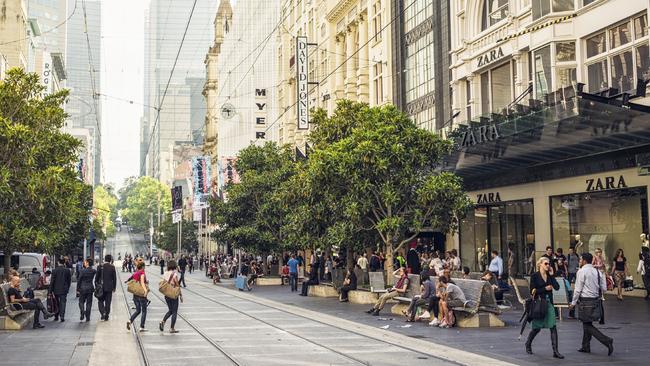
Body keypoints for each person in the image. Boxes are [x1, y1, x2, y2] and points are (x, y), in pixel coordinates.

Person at [569, 253, 614, 356]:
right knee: (587, 323)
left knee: (586, 324)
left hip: (585, 301)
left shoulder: (581, 271)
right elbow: (604, 288)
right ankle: (585, 346)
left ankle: (607, 341)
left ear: (584, 261)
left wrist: (573, 302)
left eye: (580, 260)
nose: (579, 262)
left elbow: (578, 289)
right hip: (595, 301)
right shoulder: (598, 272)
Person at [525, 257, 563, 359]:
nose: (548, 265)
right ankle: (528, 343)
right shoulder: (534, 276)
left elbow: (557, 287)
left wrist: (552, 275)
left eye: (549, 264)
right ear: (540, 264)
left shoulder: (549, 276)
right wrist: (544, 288)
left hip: (549, 304)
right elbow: (532, 291)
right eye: (546, 263)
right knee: (536, 328)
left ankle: (556, 351)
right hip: (539, 304)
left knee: (553, 326)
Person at [160, 260, 183, 333]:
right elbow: (177, 285)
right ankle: (172, 328)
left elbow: (164, 282)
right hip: (173, 294)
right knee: (174, 311)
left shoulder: (165, 273)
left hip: (167, 294)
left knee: (170, 310)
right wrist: (180, 295)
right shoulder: (174, 274)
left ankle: (163, 321)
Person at [127, 262, 149, 332]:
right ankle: (142, 327)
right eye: (144, 266)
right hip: (141, 294)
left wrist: (127, 280)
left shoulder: (135, 273)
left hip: (135, 294)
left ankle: (130, 321)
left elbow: (132, 279)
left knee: (138, 310)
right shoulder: (142, 273)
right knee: (144, 311)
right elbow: (142, 282)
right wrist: (145, 290)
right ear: (142, 267)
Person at [96, 254, 117, 321]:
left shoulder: (100, 266)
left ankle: (103, 313)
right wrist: (114, 287)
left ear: (104, 259)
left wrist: (96, 286)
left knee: (100, 301)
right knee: (108, 302)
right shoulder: (112, 267)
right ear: (110, 260)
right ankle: (106, 315)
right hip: (109, 287)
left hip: (101, 287)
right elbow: (114, 278)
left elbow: (96, 278)